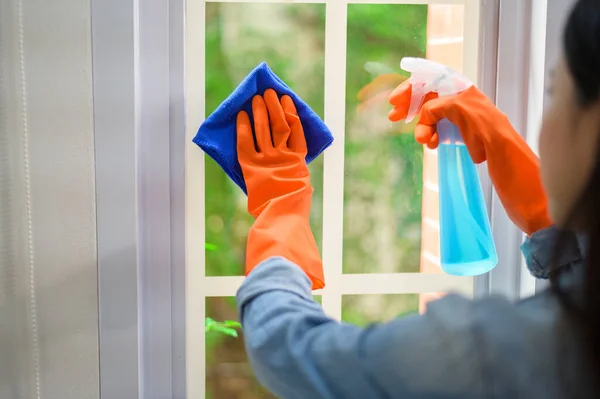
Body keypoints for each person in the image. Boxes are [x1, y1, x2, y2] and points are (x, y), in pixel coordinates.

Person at [234, 0, 600, 397]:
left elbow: (293, 353)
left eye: (552, 92)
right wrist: (554, 220)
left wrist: (281, 207)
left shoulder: (503, 353)